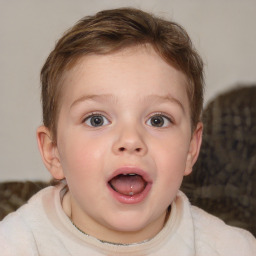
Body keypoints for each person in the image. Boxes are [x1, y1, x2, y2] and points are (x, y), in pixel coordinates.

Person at [0, 7, 255, 255]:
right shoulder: (16, 244)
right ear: (53, 151)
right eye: (97, 120)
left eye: (158, 120)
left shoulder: (230, 248)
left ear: (190, 148)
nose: (131, 140)